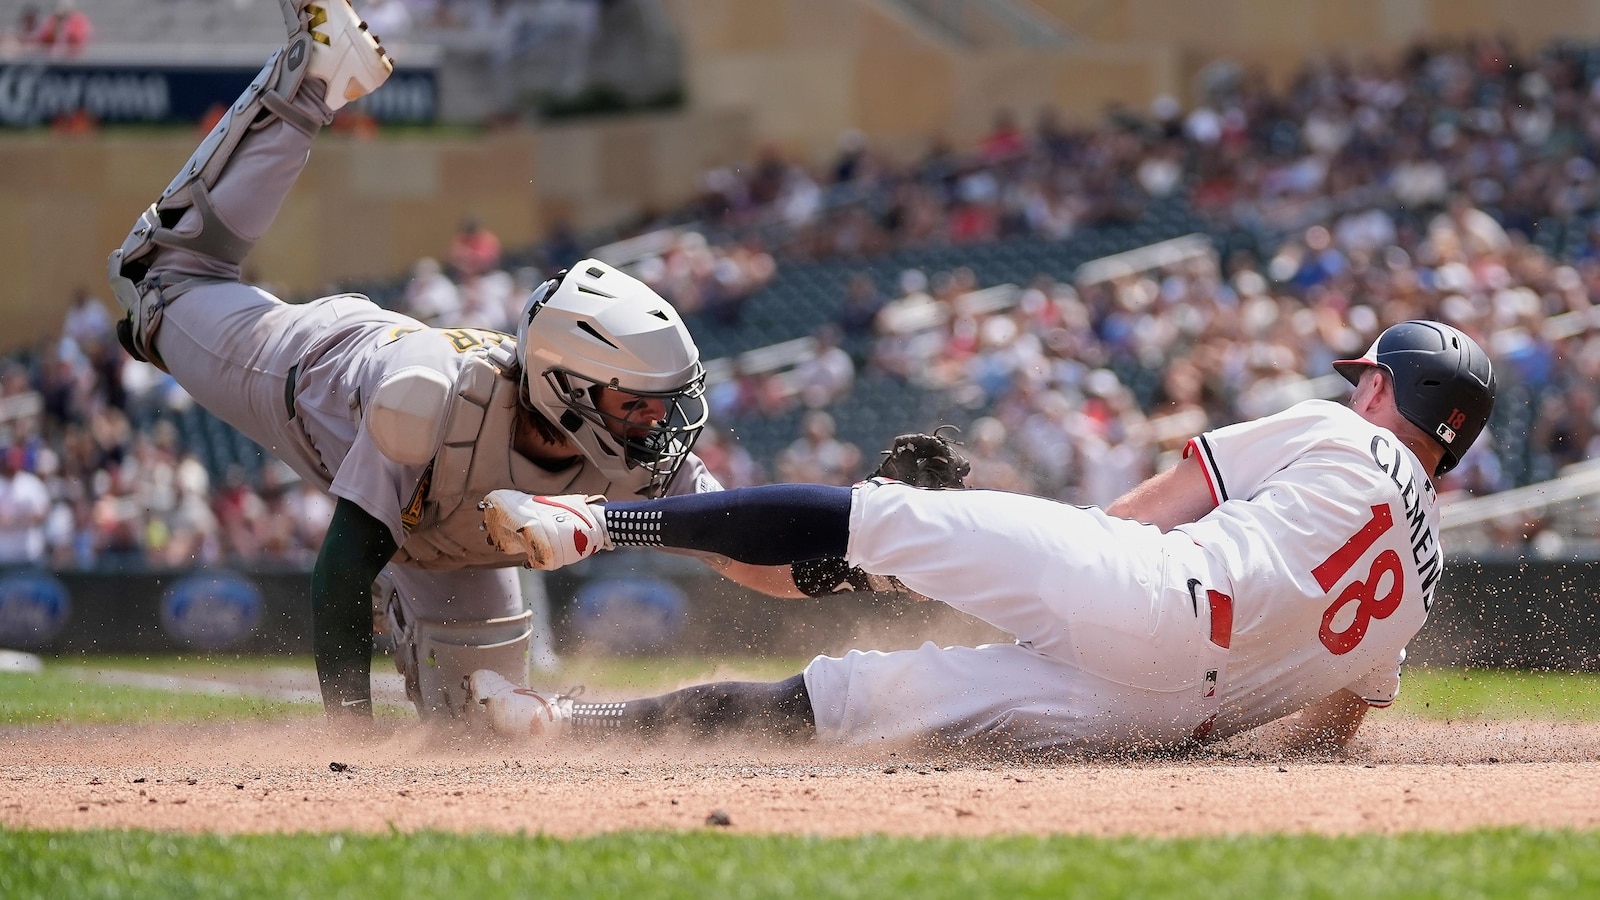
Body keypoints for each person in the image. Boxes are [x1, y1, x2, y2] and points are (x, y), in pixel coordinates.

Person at [105, 0, 806, 727]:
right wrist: (349, 737)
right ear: (566, 388)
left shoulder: (642, 454)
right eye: (636, 403)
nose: (658, 424)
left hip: (446, 541)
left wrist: (855, 559)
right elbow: (343, 565)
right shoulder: (429, 403)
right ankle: (313, 77)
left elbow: (742, 549)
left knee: (480, 732)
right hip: (307, 373)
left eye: (662, 402)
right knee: (157, 279)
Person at [471, 321, 1496, 754]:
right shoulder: (1422, 580)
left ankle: (590, 521)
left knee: (879, 512)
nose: (1354, 388)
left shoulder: (1336, 432)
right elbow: (1331, 727)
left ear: (1384, 387)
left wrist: (986, 551)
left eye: (1365, 376)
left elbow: (1160, 505)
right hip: (1161, 722)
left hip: (1154, 595)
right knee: (847, 703)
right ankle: (568, 724)